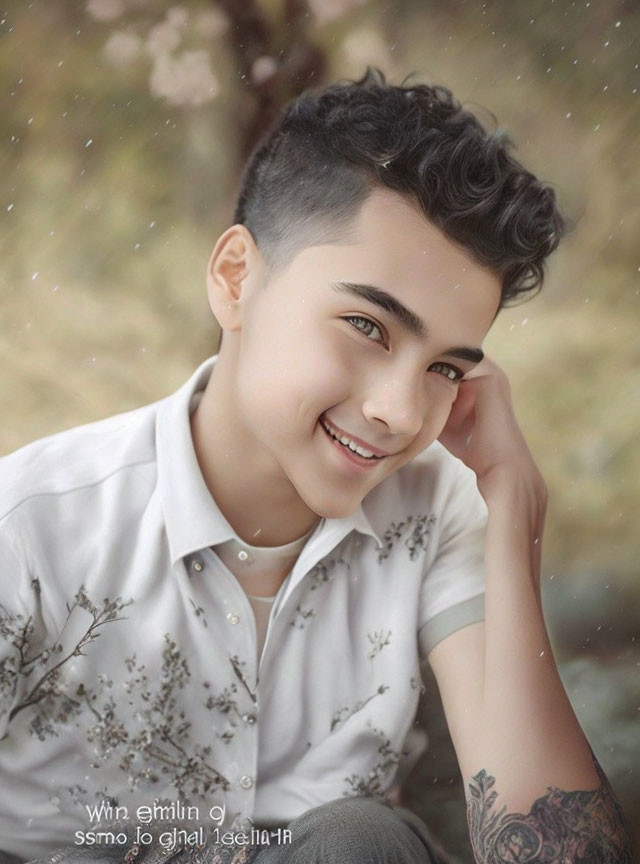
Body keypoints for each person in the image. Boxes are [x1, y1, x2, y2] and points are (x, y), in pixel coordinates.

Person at [0, 68, 632, 864]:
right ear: (237, 280)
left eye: (445, 368)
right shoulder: (30, 528)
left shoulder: (435, 513)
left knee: (357, 837)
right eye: (367, 327)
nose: (402, 413)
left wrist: (513, 508)